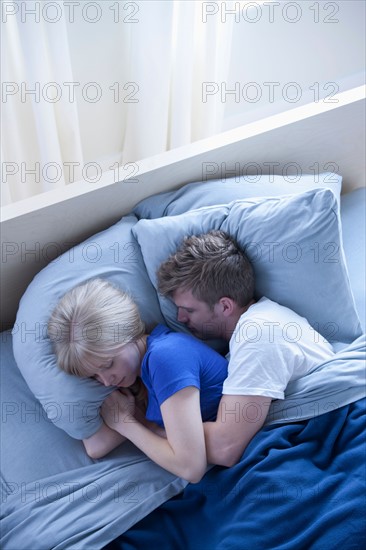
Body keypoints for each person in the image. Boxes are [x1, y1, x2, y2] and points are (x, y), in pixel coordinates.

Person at [157, 230, 335, 468]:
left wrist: (145, 427)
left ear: (225, 306)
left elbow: (225, 448)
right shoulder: (262, 323)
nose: (180, 318)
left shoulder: (257, 333)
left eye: (188, 310)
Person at [48, 278, 228, 483]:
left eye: (108, 364)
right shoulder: (140, 378)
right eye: (93, 376)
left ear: (128, 333)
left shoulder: (165, 356)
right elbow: (96, 447)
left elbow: (191, 468)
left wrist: (126, 424)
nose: (106, 381)